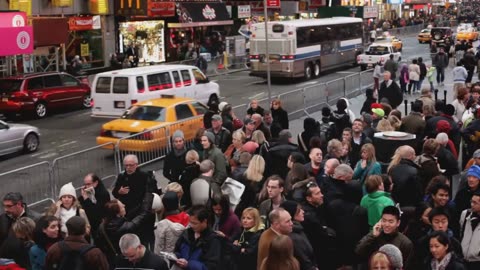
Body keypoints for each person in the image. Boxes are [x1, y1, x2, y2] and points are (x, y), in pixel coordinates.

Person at [174, 205, 222, 270]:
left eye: (195, 223)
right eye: (190, 222)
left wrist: (189, 264)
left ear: (205, 221)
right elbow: (177, 250)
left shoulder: (213, 240)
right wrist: (176, 258)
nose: (191, 225)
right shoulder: (186, 233)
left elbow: (210, 266)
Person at [0, 192, 40, 261]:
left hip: (26, 261)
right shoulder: (3, 218)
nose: (5, 209)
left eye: (9, 206)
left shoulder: (35, 219)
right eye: (4, 206)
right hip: (5, 261)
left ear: (19, 204)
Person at [78, 173, 110, 239]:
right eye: (85, 184)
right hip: (89, 224)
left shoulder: (103, 194)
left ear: (95, 183)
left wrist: (86, 199)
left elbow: (96, 212)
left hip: (100, 225)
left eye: (88, 184)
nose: (86, 187)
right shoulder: (85, 193)